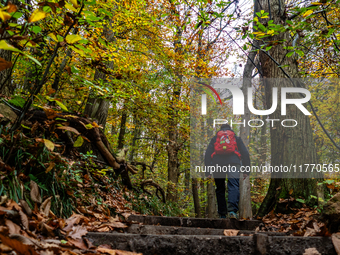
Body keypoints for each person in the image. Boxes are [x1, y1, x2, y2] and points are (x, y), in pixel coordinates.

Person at [204, 124, 250, 219]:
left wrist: (208, 171)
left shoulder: (215, 138)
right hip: (233, 162)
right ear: (230, 130)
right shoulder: (236, 138)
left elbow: (207, 154)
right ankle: (232, 211)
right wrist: (246, 170)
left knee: (220, 188)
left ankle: (222, 214)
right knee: (233, 185)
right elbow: (245, 154)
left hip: (217, 163)